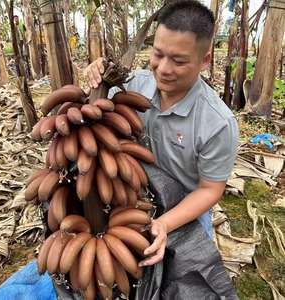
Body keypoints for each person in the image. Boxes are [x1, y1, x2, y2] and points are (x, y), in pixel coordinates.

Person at [84, 0, 239, 269]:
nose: (164, 69)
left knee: (183, 272)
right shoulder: (133, 85)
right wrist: (96, 76)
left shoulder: (218, 124)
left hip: (184, 202)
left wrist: (164, 223)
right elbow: (91, 113)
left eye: (179, 61)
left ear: (204, 61)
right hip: (130, 187)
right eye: (158, 54)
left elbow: (210, 190)